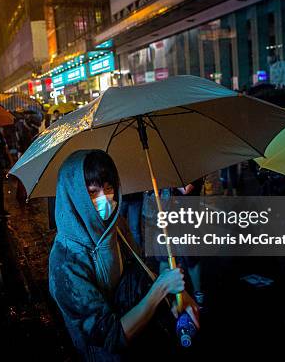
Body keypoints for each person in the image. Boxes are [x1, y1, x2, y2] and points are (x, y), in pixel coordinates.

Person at [49, 150, 199, 360]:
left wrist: (172, 296)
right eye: (93, 192)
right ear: (74, 197)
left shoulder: (116, 227)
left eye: (109, 188)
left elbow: (140, 272)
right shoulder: (65, 262)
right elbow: (111, 336)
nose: (105, 200)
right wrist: (160, 288)